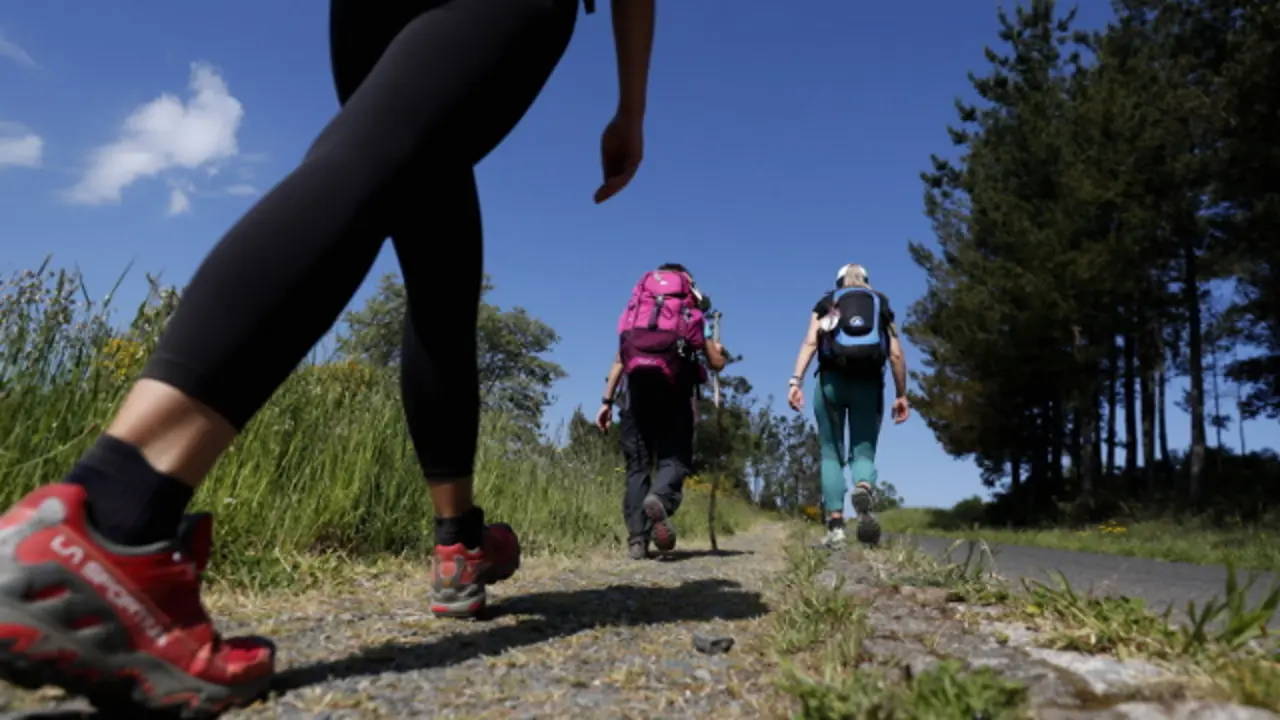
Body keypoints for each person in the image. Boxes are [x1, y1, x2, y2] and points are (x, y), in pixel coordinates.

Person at [0, 0, 656, 713]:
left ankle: (459, 540)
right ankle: (111, 516)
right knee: (372, 164)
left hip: (362, 19)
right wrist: (631, 109)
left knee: (435, 258)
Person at [596, 264, 726, 560]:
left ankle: (637, 541)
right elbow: (716, 363)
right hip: (676, 392)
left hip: (635, 391)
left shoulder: (638, 311)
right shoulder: (690, 313)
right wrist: (716, 348)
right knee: (675, 459)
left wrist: (606, 402)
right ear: (686, 284)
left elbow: (620, 359)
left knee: (637, 467)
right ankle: (660, 499)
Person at [787, 263, 909, 549]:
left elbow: (810, 342)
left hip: (831, 382)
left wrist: (796, 381)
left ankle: (836, 528)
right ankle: (863, 488)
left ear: (839, 281)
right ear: (866, 280)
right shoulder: (881, 304)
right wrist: (902, 394)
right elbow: (895, 353)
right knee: (863, 451)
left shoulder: (827, 302)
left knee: (831, 453)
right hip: (868, 382)